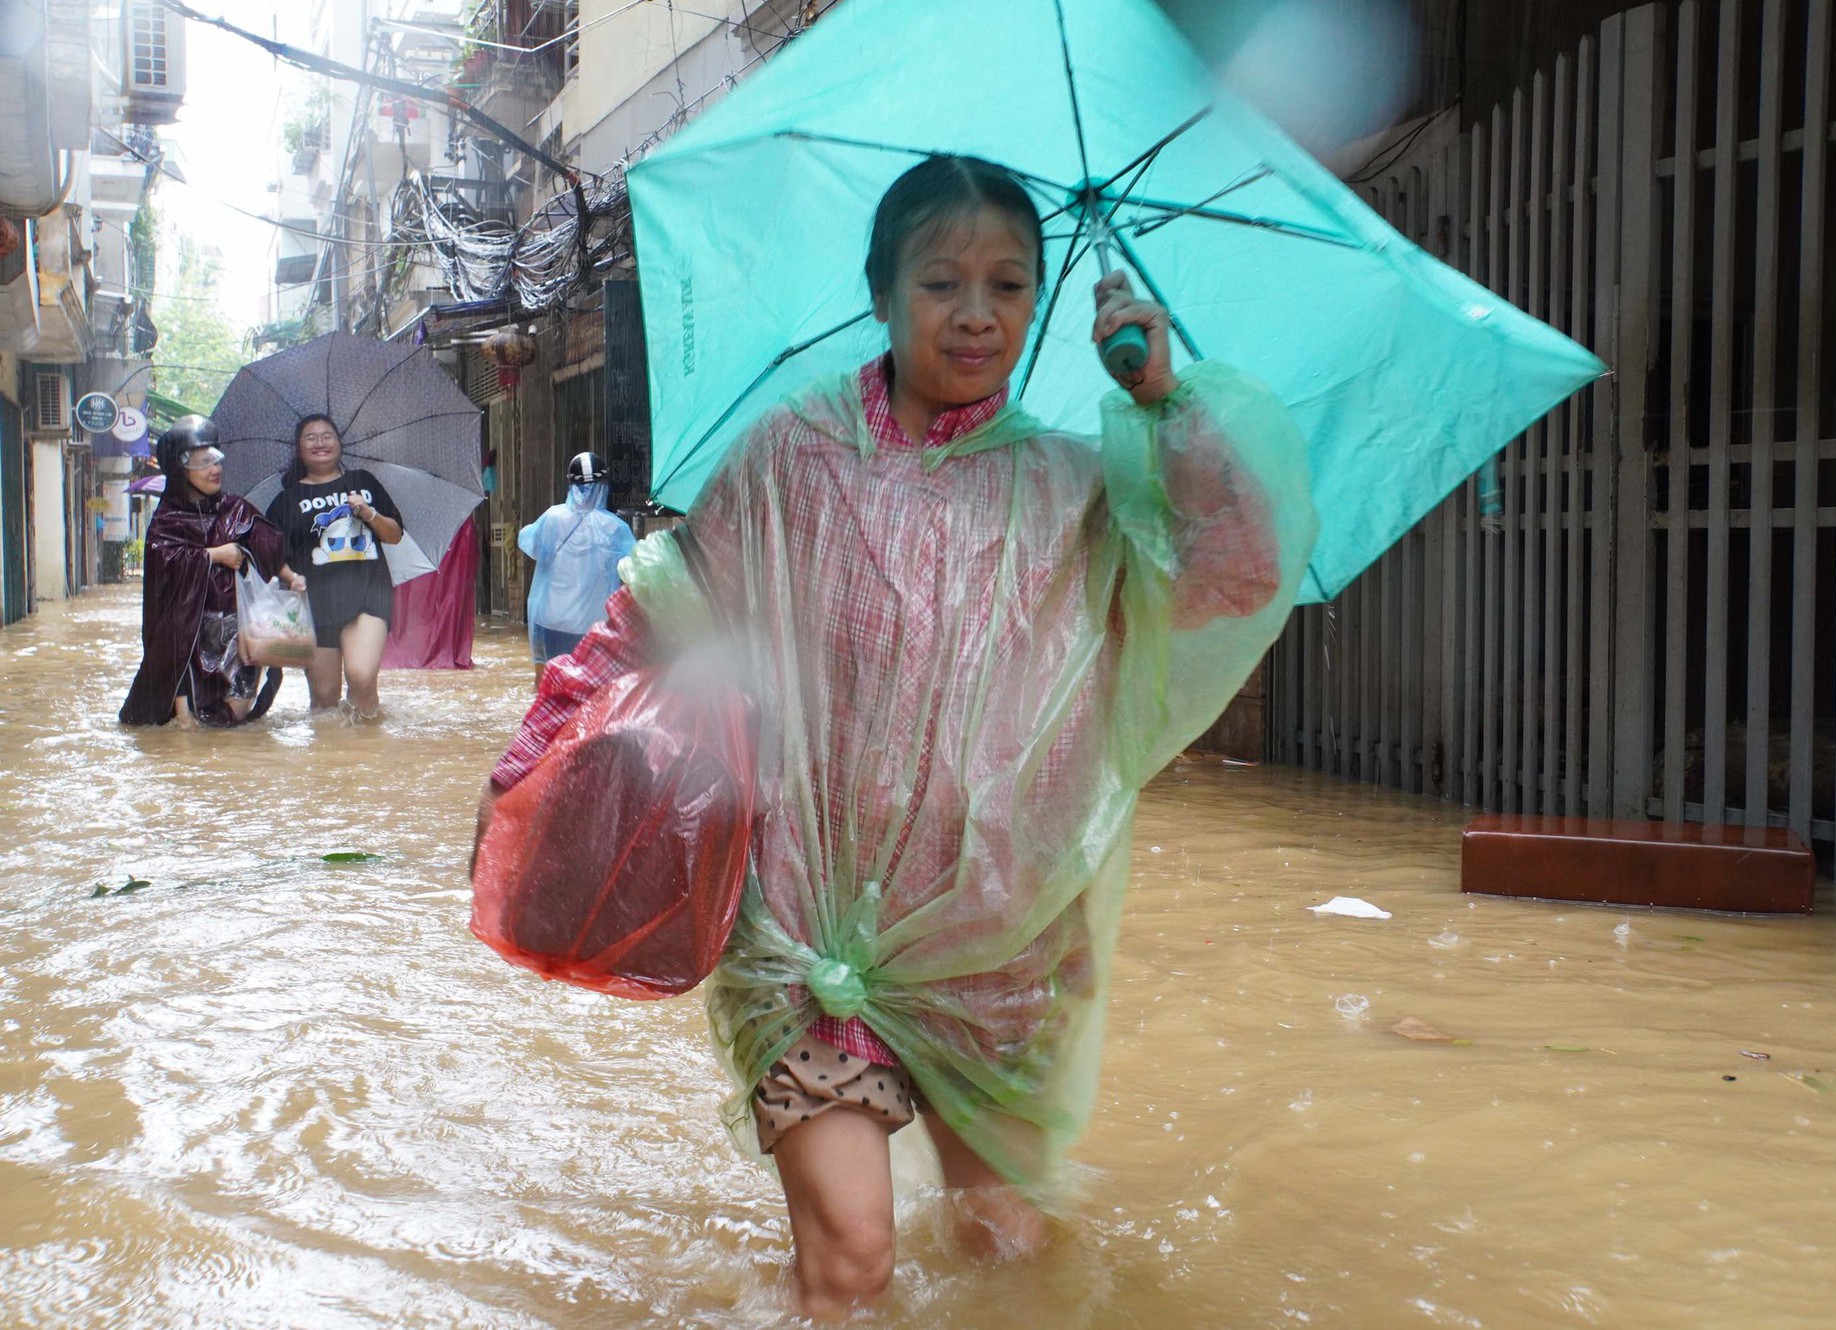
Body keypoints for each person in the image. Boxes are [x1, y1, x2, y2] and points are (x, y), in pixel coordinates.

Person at [476, 155, 1316, 1318]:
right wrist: (535, 756)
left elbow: (1232, 572)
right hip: (807, 925)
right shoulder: (789, 458)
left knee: (1007, 1246)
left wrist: (1161, 407)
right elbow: (656, 621)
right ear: (880, 291)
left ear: (1036, 303)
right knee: (856, 1260)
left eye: (1008, 285)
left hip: (997, 937)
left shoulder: (1068, 487)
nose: (976, 314)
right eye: (941, 282)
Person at [119, 416, 301, 728]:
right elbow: (165, 569)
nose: (214, 469)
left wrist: (292, 577)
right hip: (190, 637)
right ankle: (185, 716)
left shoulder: (235, 508)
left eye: (215, 459)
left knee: (237, 713)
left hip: (242, 631)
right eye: (203, 463)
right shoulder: (166, 521)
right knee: (193, 723)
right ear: (180, 469)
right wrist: (214, 555)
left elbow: (269, 545)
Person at [265, 413, 405, 717]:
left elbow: (394, 536)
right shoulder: (286, 500)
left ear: (339, 443)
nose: (320, 443)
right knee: (324, 699)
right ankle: (332, 760)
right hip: (315, 605)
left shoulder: (363, 482)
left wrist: (369, 514)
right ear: (299, 448)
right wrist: (291, 578)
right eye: (310, 438)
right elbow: (270, 555)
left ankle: (366, 757)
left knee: (362, 676)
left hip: (368, 596)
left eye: (327, 435)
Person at [517, 453, 639, 685]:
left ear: (571, 486)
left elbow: (527, 542)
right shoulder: (615, 527)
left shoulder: (552, 518)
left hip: (549, 621)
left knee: (546, 691)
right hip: (593, 627)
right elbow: (636, 568)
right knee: (589, 695)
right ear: (604, 487)